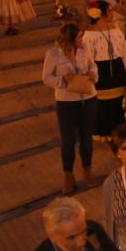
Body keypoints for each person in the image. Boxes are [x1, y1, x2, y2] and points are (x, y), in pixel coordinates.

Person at [42, 23, 99, 194]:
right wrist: (63, 81)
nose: (82, 40)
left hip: (88, 98)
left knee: (87, 138)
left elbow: (93, 66)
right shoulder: (53, 54)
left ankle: (87, 171)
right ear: (70, 39)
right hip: (66, 102)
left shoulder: (84, 49)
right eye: (78, 37)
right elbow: (46, 77)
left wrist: (93, 75)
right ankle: (68, 175)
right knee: (68, 141)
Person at [82, 2, 126, 141]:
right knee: (102, 102)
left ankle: (119, 130)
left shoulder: (115, 29)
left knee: (119, 100)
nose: (112, 13)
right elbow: (87, 56)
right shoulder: (90, 33)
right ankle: (103, 131)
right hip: (101, 70)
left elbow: (123, 50)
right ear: (100, 14)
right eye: (109, 11)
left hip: (117, 68)